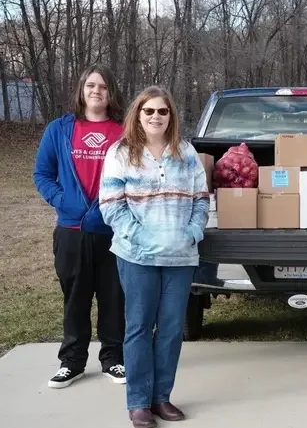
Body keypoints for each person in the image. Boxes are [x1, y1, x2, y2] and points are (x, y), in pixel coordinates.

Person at [99, 86, 210, 427]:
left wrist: (190, 233)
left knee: (172, 329)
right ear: (138, 115)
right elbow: (112, 206)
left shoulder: (186, 152)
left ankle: (161, 398)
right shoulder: (120, 152)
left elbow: (202, 200)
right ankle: (138, 403)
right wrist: (140, 238)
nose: (156, 117)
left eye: (162, 111)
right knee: (138, 328)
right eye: (149, 111)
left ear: (170, 116)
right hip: (137, 257)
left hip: (180, 257)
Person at [33, 64, 127, 389]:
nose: (96, 91)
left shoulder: (126, 131)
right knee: (75, 298)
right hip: (71, 231)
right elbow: (42, 175)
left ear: (111, 92)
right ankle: (71, 362)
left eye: (102, 86)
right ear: (81, 90)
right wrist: (64, 201)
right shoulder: (59, 130)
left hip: (113, 231)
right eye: (90, 86)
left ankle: (113, 359)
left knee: (114, 297)